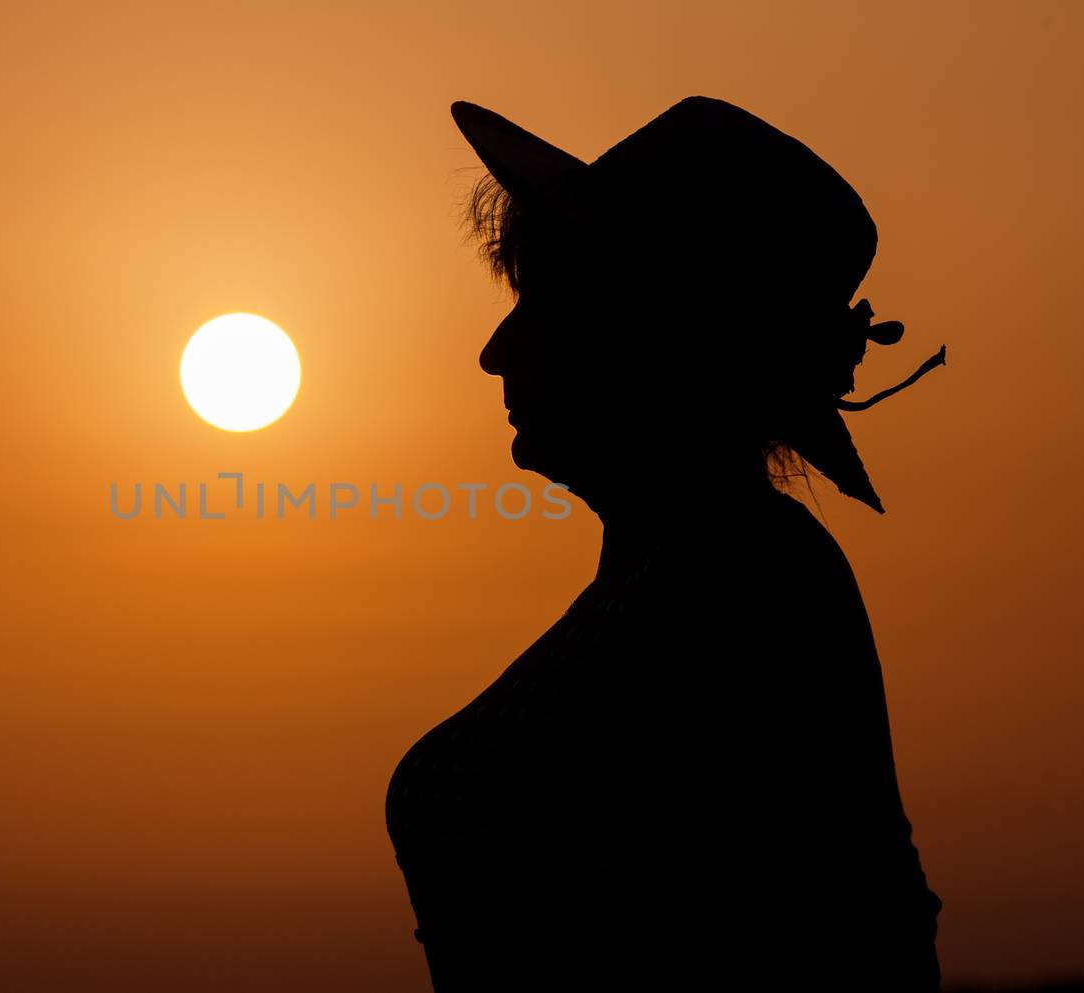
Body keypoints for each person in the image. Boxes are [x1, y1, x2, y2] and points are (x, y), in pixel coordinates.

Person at [384, 96, 948, 991]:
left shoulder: (745, 591)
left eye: (542, 302)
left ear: (646, 334)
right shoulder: (692, 573)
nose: (496, 351)